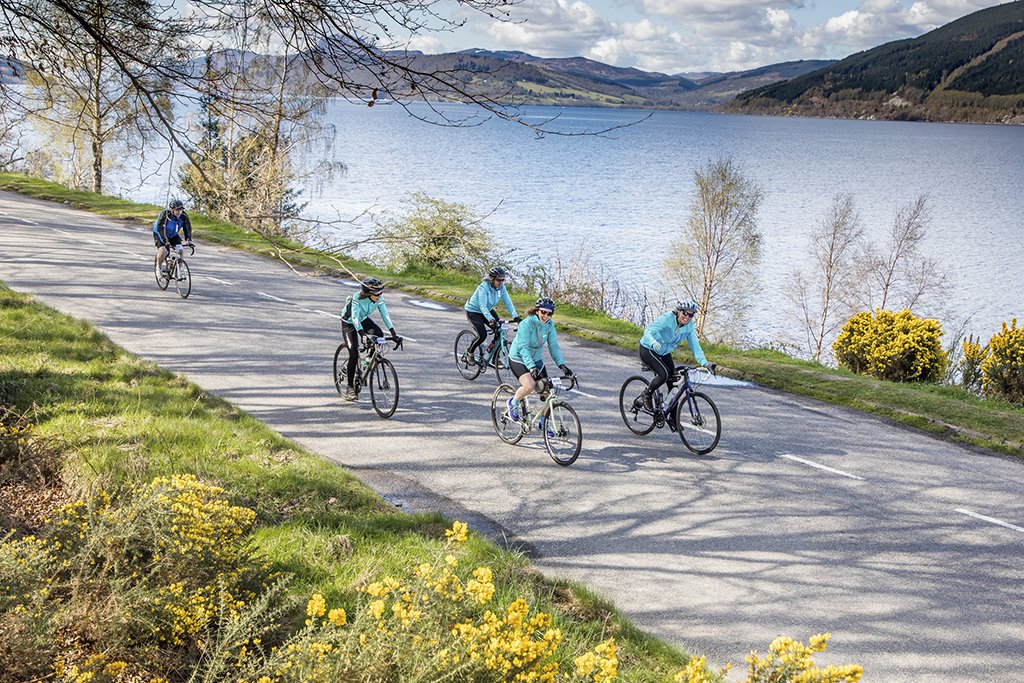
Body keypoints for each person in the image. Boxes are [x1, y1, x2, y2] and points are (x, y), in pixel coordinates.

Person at [506, 297, 573, 432]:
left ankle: (543, 424)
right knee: (530, 386)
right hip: (518, 357)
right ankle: (513, 402)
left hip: (536, 359)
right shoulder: (526, 324)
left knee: (547, 392)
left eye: (549, 313)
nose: (546, 316)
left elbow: (553, 346)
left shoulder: (549, 325)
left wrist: (562, 366)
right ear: (537, 311)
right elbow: (523, 348)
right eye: (543, 312)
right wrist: (531, 367)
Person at [638, 300, 712, 412]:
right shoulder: (666, 319)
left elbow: (695, 347)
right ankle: (647, 394)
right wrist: (653, 342)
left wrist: (705, 364)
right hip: (648, 348)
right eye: (685, 313)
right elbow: (648, 331)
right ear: (679, 311)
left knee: (673, 385)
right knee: (664, 374)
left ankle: (673, 418)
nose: (687, 317)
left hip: (664, 352)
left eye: (691, 315)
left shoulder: (689, 326)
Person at [341, 278, 402, 401]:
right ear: (368, 294)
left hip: (363, 319)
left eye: (381, 293)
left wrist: (393, 332)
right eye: (376, 294)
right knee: (353, 353)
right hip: (349, 323)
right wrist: (363, 335)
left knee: (379, 334)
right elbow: (355, 318)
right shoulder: (357, 298)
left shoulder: (379, 298)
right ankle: (349, 386)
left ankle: (367, 362)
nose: (379, 296)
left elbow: (385, 314)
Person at [464, 266, 519, 365]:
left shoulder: (501, 287)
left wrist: (515, 317)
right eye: (499, 280)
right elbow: (482, 305)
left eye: (503, 280)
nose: (501, 282)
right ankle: (470, 352)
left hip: (487, 310)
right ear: (492, 279)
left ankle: (494, 357)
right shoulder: (483, 287)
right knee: (482, 335)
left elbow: (508, 302)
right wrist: (491, 320)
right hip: (474, 311)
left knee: (499, 330)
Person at [153, 198, 193, 272]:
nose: (179, 212)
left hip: (173, 234)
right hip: (160, 233)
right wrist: (165, 241)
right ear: (172, 210)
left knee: (180, 250)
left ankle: (179, 271)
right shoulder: (165, 214)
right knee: (163, 251)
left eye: (180, 210)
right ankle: (158, 268)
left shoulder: (183, 215)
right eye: (177, 210)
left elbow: (187, 228)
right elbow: (160, 228)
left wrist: (188, 240)